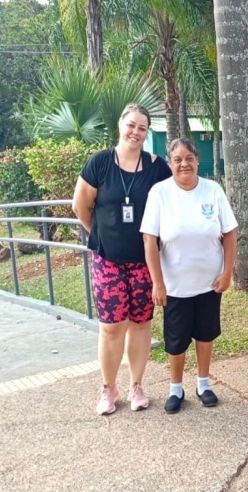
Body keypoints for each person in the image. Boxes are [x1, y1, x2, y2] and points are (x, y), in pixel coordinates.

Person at [72, 103, 172, 415]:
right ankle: (108, 388)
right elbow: (80, 206)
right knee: (112, 327)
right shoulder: (100, 163)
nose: (136, 132)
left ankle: (137, 385)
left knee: (142, 324)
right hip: (108, 261)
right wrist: (101, 234)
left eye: (142, 128)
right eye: (131, 125)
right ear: (120, 125)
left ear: (147, 132)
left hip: (144, 262)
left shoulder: (157, 167)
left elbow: (170, 207)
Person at [140, 138, 237, 414]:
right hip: (175, 286)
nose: (184, 164)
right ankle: (175, 388)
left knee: (205, 335)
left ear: (197, 160)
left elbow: (230, 233)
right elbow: (150, 240)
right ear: (170, 164)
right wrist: (157, 283)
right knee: (176, 339)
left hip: (209, 283)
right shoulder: (160, 193)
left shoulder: (213, 190)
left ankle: (204, 384)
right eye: (178, 159)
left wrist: (227, 272)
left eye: (189, 158)